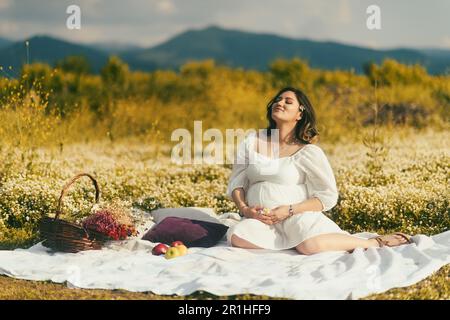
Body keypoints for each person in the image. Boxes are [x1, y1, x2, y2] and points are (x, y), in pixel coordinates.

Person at [226, 87, 412, 255]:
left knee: (310, 246)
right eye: (277, 100)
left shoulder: (308, 152)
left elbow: (327, 196)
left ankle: (374, 242)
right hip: (261, 219)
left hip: (294, 215)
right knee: (237, 236)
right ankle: (290, 242)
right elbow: (237, 181)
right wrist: (245, 209)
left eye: (288, 101)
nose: (279, 103)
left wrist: (289, 210)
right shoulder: (251, 141)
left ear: (300, 114)